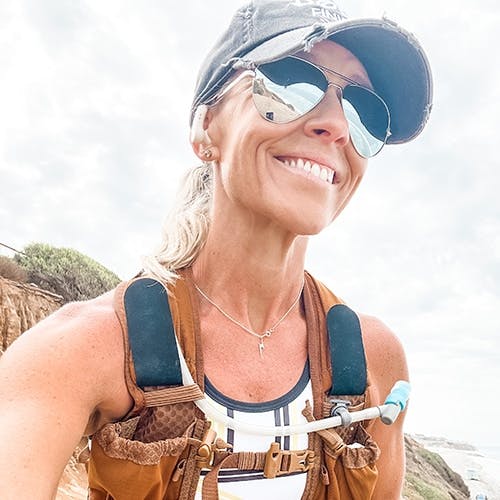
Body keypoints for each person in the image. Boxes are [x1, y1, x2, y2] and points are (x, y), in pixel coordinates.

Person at [0, 0, 432, 499]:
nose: (335, 124)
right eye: (288, 84)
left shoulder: (374, 359)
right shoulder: (87, 347)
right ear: (207, 127)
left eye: (365, 112)